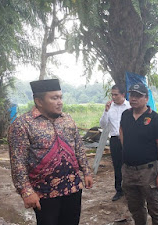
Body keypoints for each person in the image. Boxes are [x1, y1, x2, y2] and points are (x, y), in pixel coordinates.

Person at [8, 79, 93, 225]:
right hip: (44, 193)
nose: (60, 102)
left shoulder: (67, 120)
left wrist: (86, 171)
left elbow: (78, 147)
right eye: (54, 98)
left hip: (72, 188)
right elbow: (18, 162)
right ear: (39, 101)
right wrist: (26, 191)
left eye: (60, 97)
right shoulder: (22, 125)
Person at [119, 83, 158, 225]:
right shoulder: (126, 115)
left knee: (156, 209)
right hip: (128, 170)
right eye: (132, 95)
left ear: (146, 98)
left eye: (138, 96)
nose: (133, 98)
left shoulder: (156, 119)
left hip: (148, 171)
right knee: (135, 208)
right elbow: (121, 132)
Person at [99, 84, 131, 201]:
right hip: (115, 139)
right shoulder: (110, 107)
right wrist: (106, 111)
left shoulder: (129, 106)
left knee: (129, 164)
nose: (113, 97)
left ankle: (130, 190)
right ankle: (119, 190)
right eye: (112, 94)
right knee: (117, 165)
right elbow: (103, 124)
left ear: (123, 94)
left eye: (116, 94)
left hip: (129, 139)